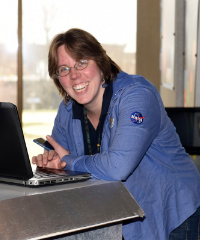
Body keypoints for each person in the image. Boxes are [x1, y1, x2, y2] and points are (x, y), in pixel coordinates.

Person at [32, 28, 200, 240]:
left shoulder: (137, 96)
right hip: (119, 210)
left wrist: (68, 161)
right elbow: (63, 163)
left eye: (81, 63)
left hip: (171, 207)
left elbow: (116, 167)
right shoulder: (67, 110)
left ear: (101, 63)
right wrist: (53, 165)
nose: (74, 75)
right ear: (58, 79)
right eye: (64, 69)